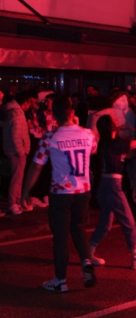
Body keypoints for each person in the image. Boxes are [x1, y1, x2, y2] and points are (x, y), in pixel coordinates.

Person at [21, 96, 97, 292]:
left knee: (61, 236)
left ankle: (60, 280)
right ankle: (86, 262)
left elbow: (36, 167)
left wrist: (25, 191)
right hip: (83, 190)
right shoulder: (88, 134)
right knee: (79, 229)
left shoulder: (50, 137)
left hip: (61, 192)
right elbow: (93, 151)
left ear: (54, 116)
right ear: (72, 113)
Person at [88, 111, 136, 269]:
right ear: (111, 127)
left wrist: (121, 127)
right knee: (129, 223)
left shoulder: (104, 143)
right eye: (114, 121)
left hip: (104, 185)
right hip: (113, 185)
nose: (117, 122)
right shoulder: (116, 144)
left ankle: (89, 253)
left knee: (105, 223)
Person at [3, 92, 31, 215]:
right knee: (17, 178)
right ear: (25, 102)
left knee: (17, 177)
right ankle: (13, 203)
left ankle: (17, 202)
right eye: (30, 102)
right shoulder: (18, 115)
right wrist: (21, 152)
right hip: (16, 151)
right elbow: (16, 136)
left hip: (11, 149)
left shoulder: (11, 112)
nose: (30, 105)